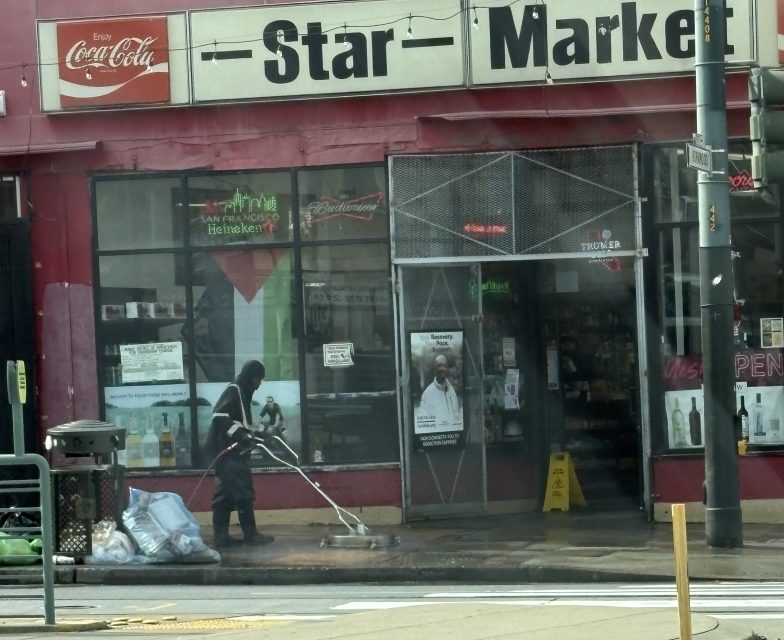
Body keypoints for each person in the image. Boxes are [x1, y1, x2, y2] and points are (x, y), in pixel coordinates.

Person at [205, 360, 274, 548]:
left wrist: (255, 432)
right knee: (243, 490)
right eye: (258, 379)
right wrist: (240, 435)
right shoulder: (234, 390)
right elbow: (219, 416)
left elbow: (238, 421)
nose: (259, 384)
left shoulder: (241, 392)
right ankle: (251, 535)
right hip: (229, 451)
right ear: (250, 377)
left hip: (228, 450)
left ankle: (221, 537)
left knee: (224, 494)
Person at [418, 354, 462, 429]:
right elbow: (424, 425)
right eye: (439, 366)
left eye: (444, 366)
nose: (442, 368)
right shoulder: (427, 394)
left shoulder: (451, 390)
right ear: (435, 369)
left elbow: (457, 416)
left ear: (447, 368)